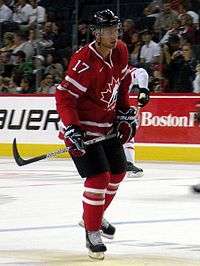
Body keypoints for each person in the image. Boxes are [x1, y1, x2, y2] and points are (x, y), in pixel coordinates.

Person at [55, 9, 149, 260]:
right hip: (82, 130)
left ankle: (91, 216)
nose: (113, 34)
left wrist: (125, 112)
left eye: (115, 29)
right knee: (99, 178)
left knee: (117, 174)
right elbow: (64, 97)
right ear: (96, 33)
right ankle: (92, 232)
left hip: (106, 127)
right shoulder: (83, 60)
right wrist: (73, 129)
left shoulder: (119, 51)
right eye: (107, 29)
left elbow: (121, 85)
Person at [124, 66, 149, 177]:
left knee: (127, 129)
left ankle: (128, 164)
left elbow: (141, 73)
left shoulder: (124, 72)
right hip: (98, 108)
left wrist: (143, 90)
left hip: (116, 108)